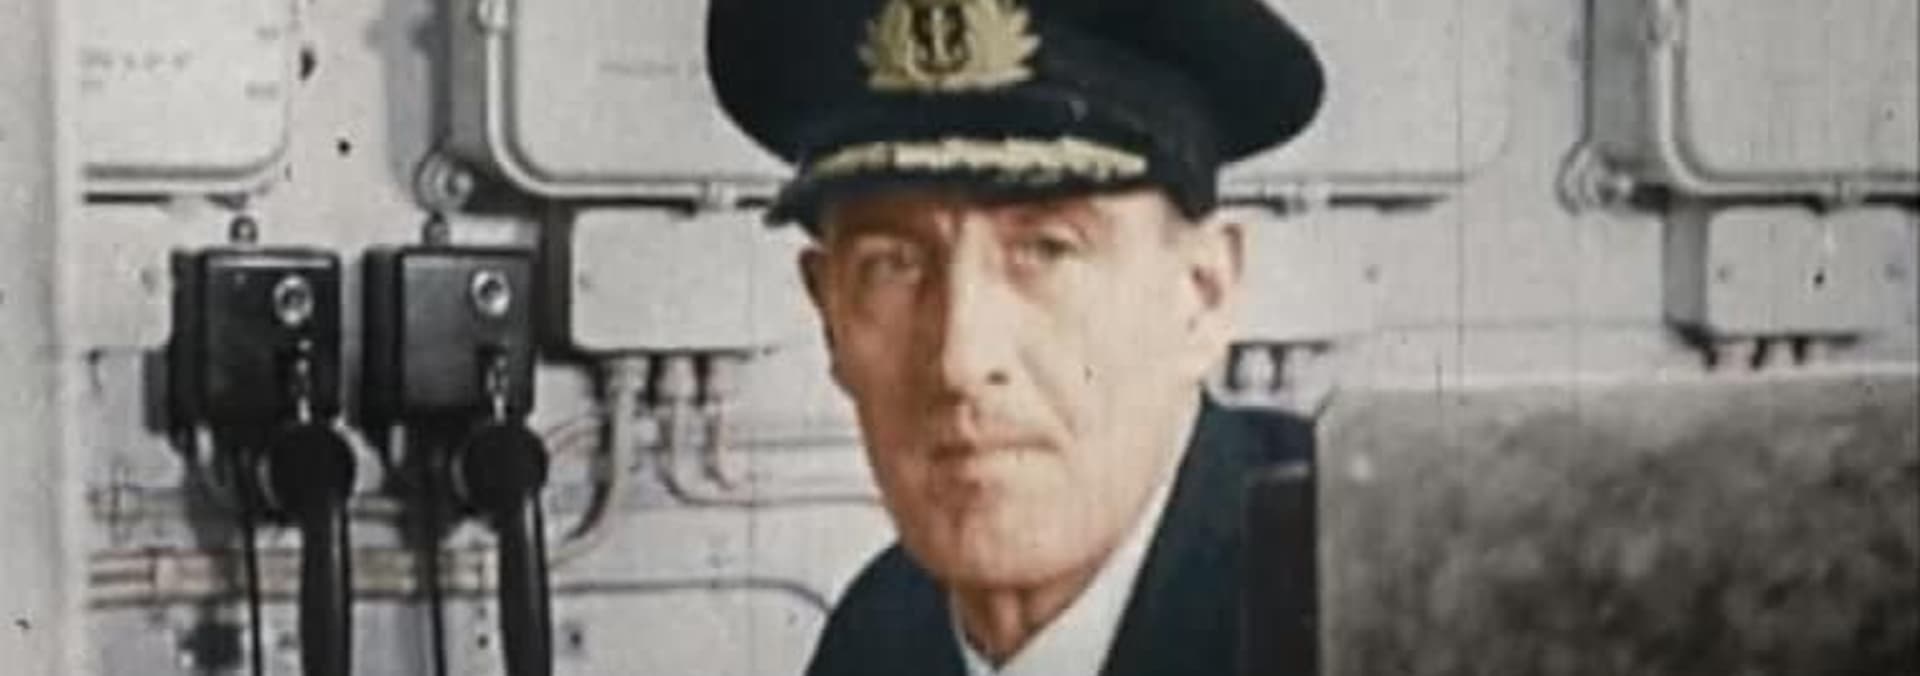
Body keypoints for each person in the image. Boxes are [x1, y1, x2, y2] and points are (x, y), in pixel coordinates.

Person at [705, 0, 1325, 673]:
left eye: (1047, 249)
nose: (960, 360)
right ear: (829, 318)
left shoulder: (1358, 597)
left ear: (1202, 296)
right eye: (892, 264)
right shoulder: (882, 633)